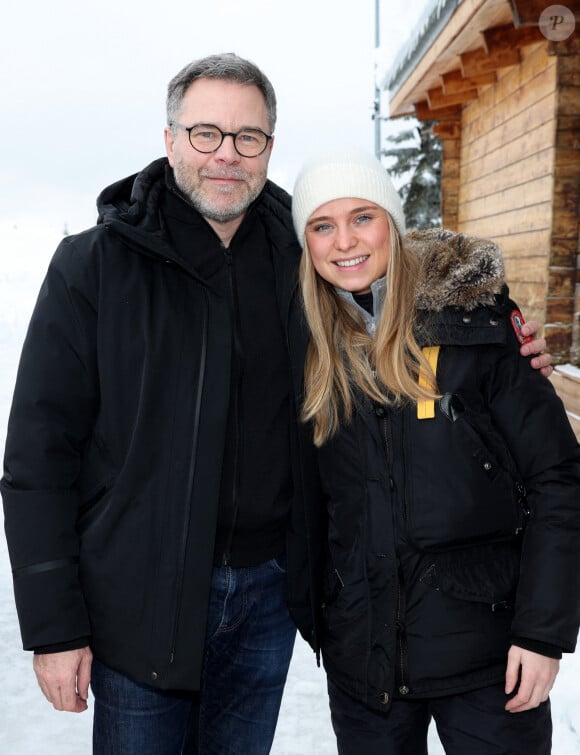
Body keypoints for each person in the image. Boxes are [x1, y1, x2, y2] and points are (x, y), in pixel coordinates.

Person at [0, 55, 550, 755]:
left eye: (248, 137)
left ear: (268, 147)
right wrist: (55, 626)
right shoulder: (93, 269)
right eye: (206, 133)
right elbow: (38, 459)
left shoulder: (303, 258)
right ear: (170, 139)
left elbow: (397, 289)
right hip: (139, 601)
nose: (226, 154)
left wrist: (503, 331)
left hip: (265, 597)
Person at [290, 146, 580, 755]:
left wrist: (542, 633)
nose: (345, 241)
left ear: (392, 224)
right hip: (366, 670)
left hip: (489, 663)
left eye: (362, 217)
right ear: (306, 242)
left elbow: (558, 478)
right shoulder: (306, 346)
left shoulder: (477, 326)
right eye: (322, 224)